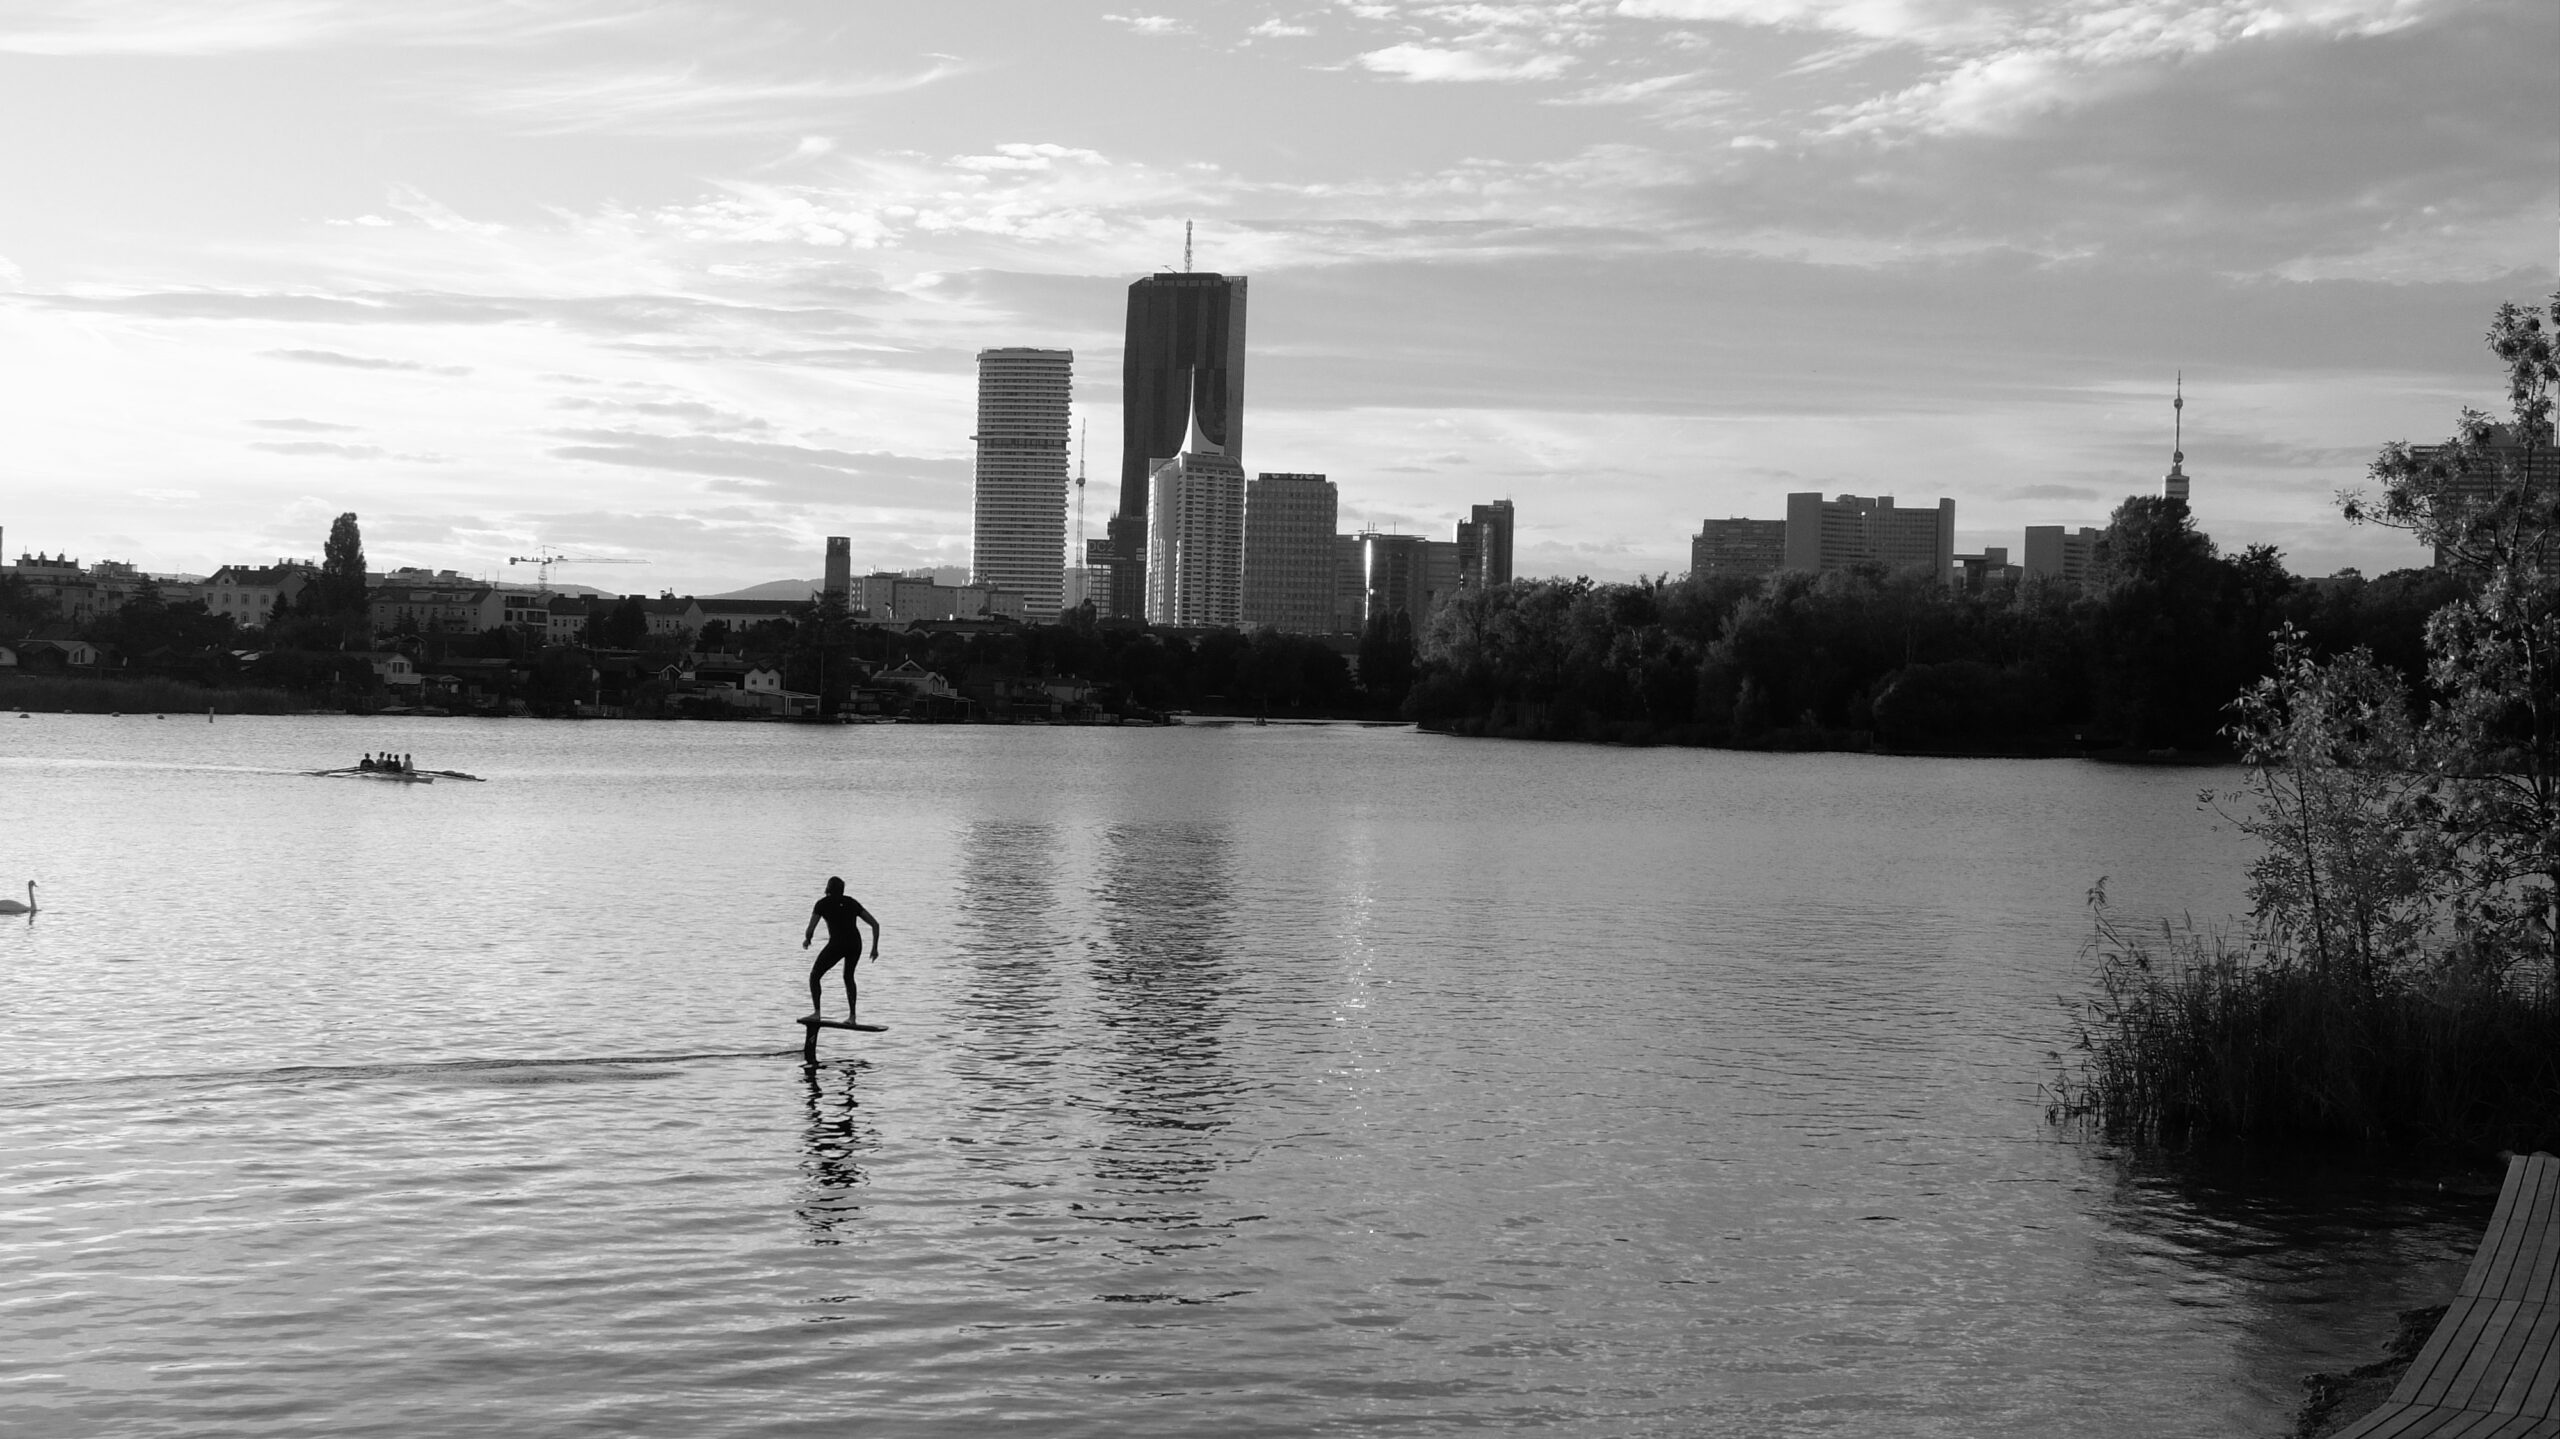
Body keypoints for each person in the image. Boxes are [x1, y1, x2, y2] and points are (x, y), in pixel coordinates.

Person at [802, 876, 881, 1022]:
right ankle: (852, 1016)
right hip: (855, 944)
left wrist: (808, 939)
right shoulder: (851, 902)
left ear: (827, 889)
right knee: (848, 977)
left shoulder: (822, 904)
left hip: (838, 944)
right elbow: (875, 925)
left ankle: (817, 1013)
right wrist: (874, 948)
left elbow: (811, 928)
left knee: (815, 976)